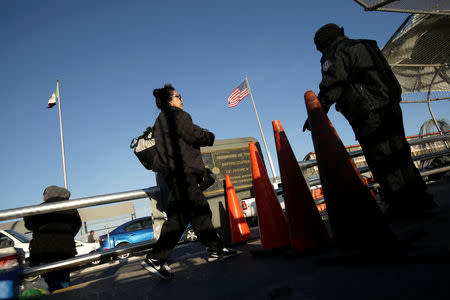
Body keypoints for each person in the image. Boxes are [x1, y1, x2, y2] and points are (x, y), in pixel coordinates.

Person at [303, 23, 437, 219]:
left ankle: (402, 205)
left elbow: (333, 83)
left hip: (367, 111)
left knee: (381, 157)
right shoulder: (365, 45)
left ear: (322, 44)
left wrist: (316, 111)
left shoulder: (335, 53)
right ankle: (421, 199)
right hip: (390, 104)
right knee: (400, 152)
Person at [141, 83, 236, 279]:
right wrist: (210, 136)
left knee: (199, 213)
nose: (182, 99)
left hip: (174, 174)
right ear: (170, 100)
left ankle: (216, 249)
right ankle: (155, 258)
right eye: (178, 96)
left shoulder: (159, 121)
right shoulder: (176, 115)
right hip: (184, 173)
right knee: (179, 217)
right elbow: (194, 134)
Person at [24, 185, 81, 292]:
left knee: (50, 283)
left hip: (45, 251)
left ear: (47, 195)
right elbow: (77, 225)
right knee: (64, 280)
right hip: (66, 250)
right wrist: (67, 236)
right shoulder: (71, 207)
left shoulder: (41, 208)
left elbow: (29, 225)